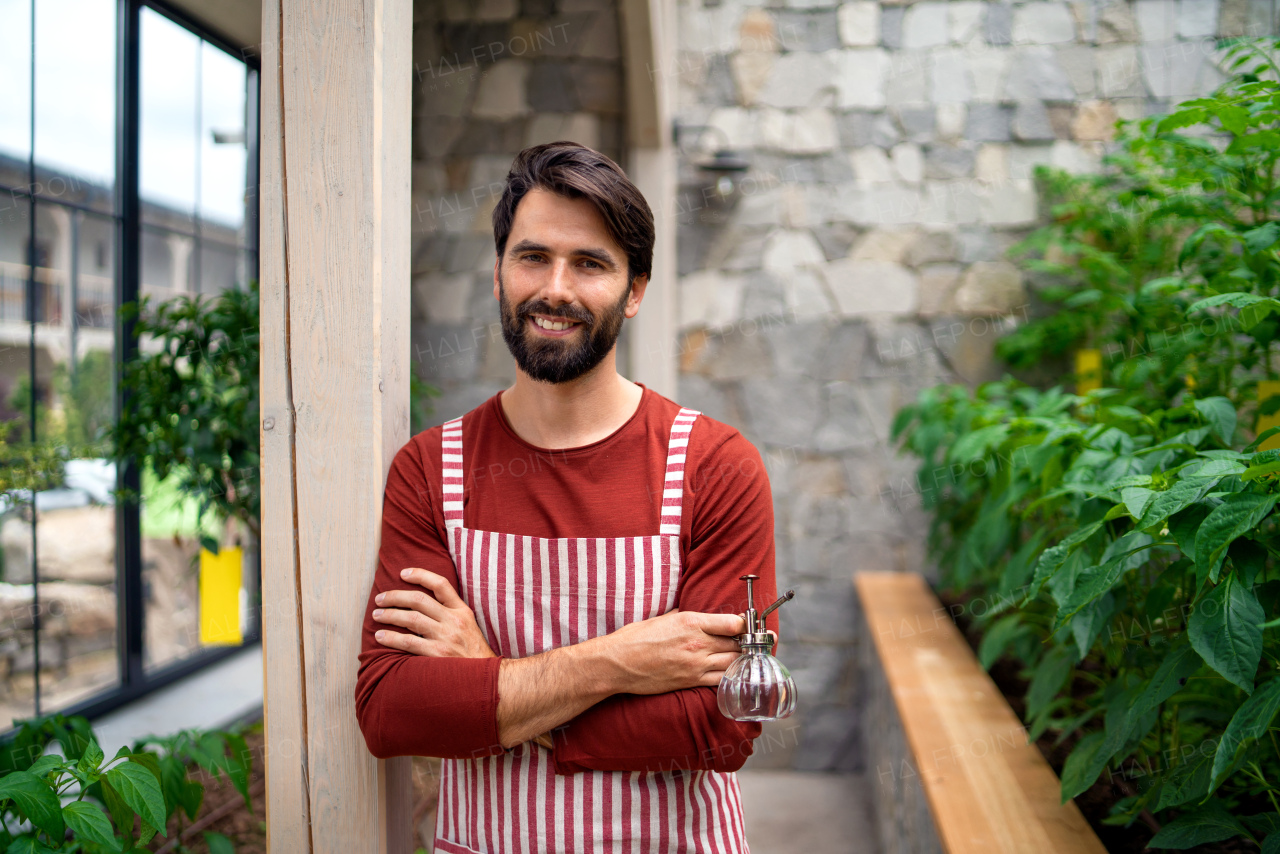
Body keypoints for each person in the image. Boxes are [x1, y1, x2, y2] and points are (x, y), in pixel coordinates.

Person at [354, 141, 779, 853]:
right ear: (498, 273)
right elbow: (393, 712)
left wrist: (489, 681)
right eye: (532, 256)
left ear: (635, 291)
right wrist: (620, 663)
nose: (556, 288)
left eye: (590, 264)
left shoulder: (714, 466)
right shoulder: (431, 469)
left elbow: (724, 724)